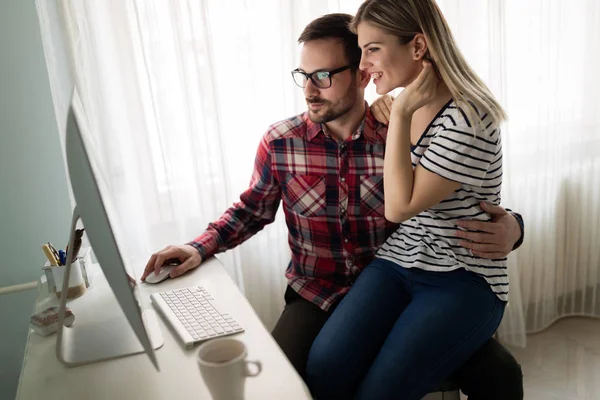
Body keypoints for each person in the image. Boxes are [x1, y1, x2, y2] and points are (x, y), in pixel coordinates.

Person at [141, 13, 524, 399]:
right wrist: (197, 246)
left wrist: (515, 227)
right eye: (303, 75)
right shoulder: (281, 142)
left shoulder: (400, 136)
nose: (309, 90)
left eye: (323, 76)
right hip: (316, 294)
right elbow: (251, 210)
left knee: (500, 374)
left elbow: (463, 197)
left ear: (361, 74)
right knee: (282, 385)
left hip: (406, 289)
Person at [305, 2, 519, 400]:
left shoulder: (469, 118)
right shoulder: (398, 106)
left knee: (380, 393)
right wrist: (400, 110)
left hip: (462, 276)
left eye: (372, 49)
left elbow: (399, 207)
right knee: (324, 368)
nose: (364, 66)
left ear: (418, 46)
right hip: (399, 260)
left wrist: (401, 113)